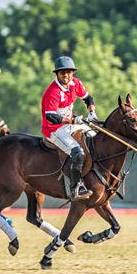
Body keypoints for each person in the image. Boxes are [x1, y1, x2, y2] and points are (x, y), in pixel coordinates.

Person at [41, 56, 98, 201]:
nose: (65, 75)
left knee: (95, 137)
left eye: (68, 72)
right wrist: (73, 119)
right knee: (77, 152)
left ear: (73, 73)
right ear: (57, 74)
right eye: (62, 73)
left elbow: (88, 99)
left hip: (70, 124)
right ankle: (75, 188)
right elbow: (51, 117)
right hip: (54, 129)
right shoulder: (53, 92)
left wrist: (92, 112)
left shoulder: (76, 83)